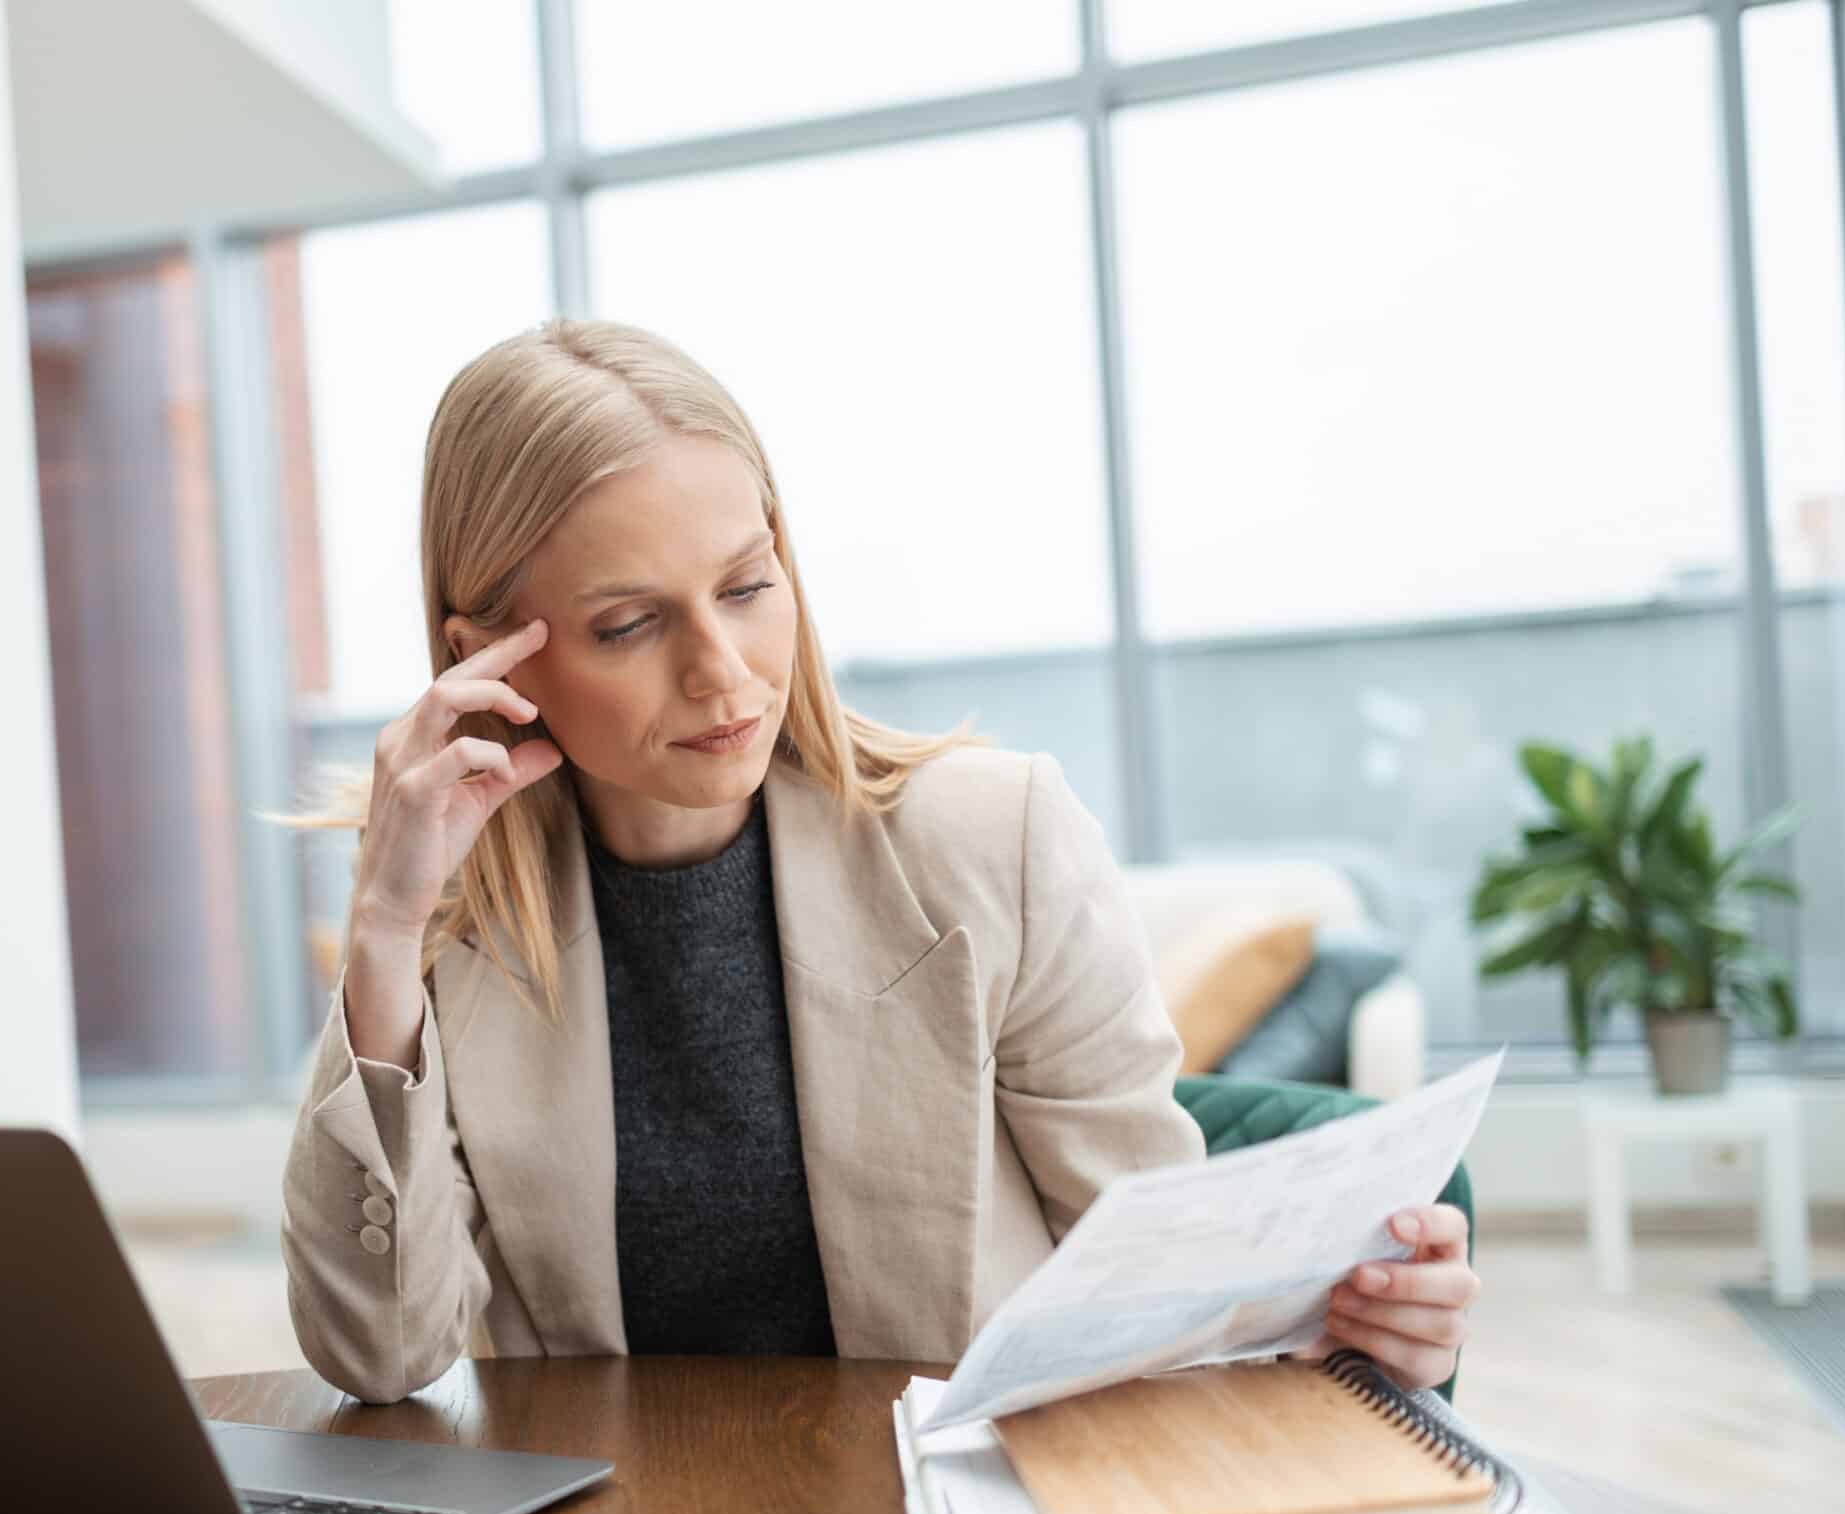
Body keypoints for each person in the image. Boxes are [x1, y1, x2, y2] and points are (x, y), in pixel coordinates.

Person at [281, 319, 1477, 1407]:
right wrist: (387, 932)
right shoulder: (444, 927)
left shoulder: (992, 841)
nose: (724, 671)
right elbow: (382, 1359)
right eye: (630, 624)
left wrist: (1346, 1340)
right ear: (488, 657)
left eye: (747, 587)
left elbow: (1145, 1286)